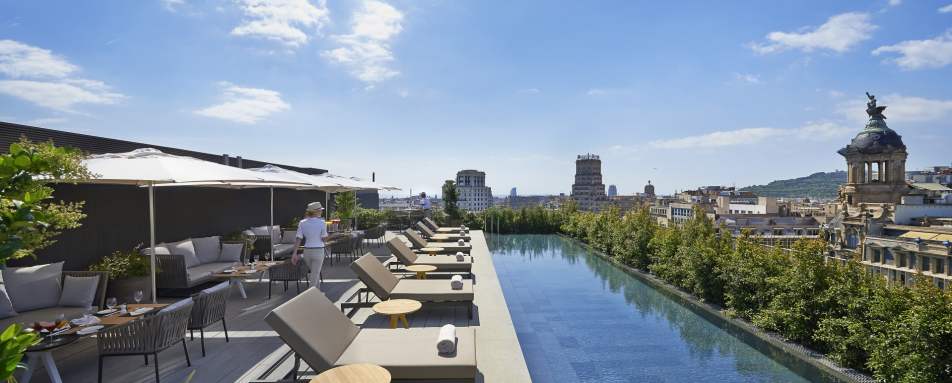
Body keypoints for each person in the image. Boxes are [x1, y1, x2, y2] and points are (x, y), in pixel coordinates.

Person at [291, 202, 329, 289]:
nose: (321, 212)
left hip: (307, 252)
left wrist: (294, 253)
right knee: (314, 275)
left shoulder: (302, 223)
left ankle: (317, 294)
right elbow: (324, 239)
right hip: (318, 252)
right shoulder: (322, 222)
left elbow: (298, 238)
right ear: (315, 211)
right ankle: (310, 296)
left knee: (315, 273)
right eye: (320, 210)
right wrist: (333, 236)